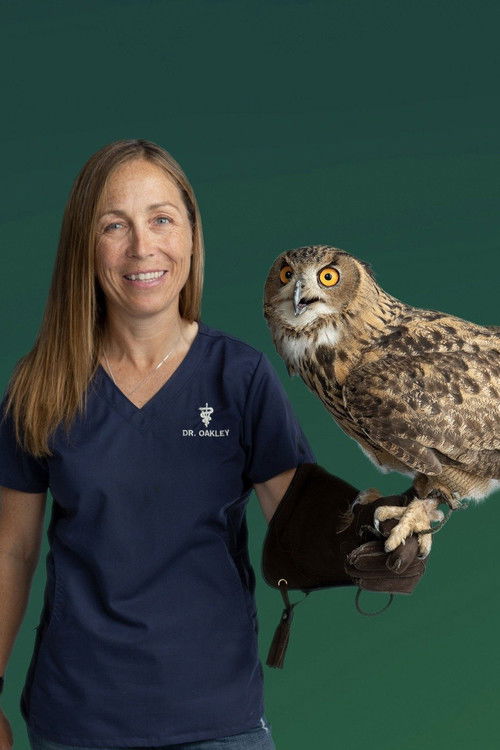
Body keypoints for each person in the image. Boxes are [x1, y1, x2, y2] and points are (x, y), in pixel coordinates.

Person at [0, 139, 423, 750]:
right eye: (114, 225)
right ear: (82, 246)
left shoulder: (239, 377)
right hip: (76, 721)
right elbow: (11, 551)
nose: (142, 247)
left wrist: (378, 530)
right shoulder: (41, 384)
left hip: (218, 721)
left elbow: (300, 517)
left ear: (192, 237)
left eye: (161, 220)